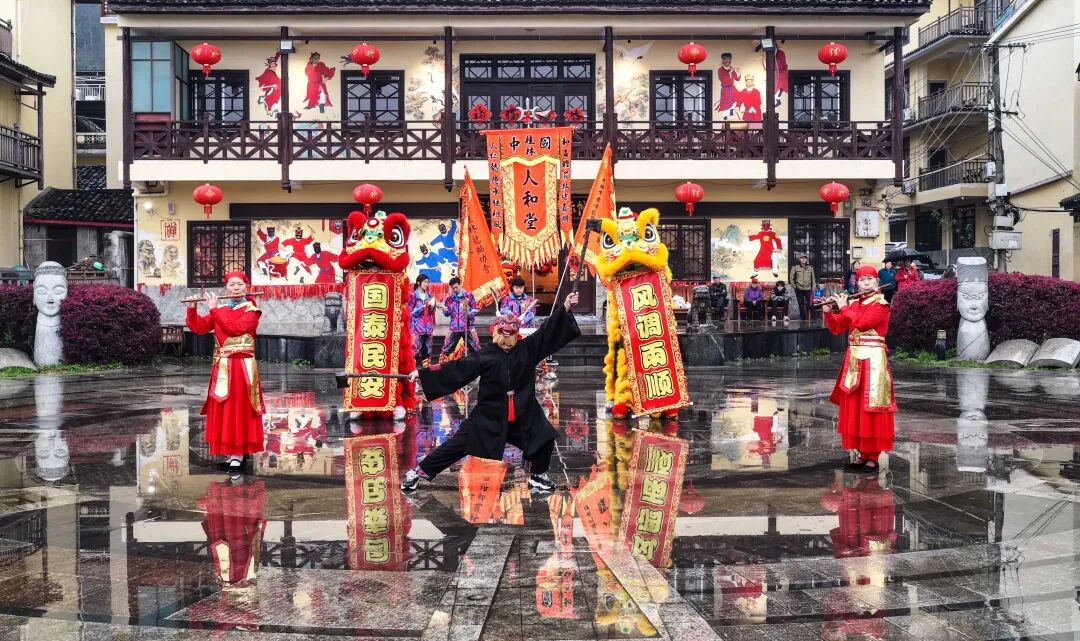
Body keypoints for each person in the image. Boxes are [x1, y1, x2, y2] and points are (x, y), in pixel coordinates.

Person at [401, 291, 582, 494]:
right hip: (489, 414)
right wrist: (422, 374)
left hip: (522, 412)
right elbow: (456, 368)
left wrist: (565, 307)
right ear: (496, 329)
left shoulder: (528, 349)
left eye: (512, 329)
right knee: (457, 445)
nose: (507, 333)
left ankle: (538, 476)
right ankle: (417, 472)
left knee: (544, 436)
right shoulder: (485, 355)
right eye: (503, 328)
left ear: (517, 332)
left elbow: (546, 331)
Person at [185, 272, 265, 475]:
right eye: (231, 284)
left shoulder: (252, 310)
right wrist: (192, 309)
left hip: (241, 368)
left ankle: (238, 454)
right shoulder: (220, 309)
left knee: (238, 409)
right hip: (222, 366)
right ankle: (232, 453)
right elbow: (199, 328)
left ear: (246, 287)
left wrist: (213, 309)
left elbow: (234, 329)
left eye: (240, 284)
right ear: (226, 289)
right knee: (225, 408)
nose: (236, 288)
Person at [823, 265, 896, 475]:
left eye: (869, 279)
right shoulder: (854, 303)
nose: (865, 283)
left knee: (872, 406)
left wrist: (844, 307)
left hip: (874, 361)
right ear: (857, 284)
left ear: (876, 282)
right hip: (854, 360)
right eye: (861, 280)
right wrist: (829, 312)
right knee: (855, 406)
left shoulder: (881, 304)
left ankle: (873, 457)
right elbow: (838, 326)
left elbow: (863, 323)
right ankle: (862, 455)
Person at [440, 277, 480, 359]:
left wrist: (469, 313)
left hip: (467, 327)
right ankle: (444, 365)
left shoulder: (468, 296)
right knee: (447, 349)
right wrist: (445, 311)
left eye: (456, 287)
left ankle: (479, 364)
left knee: (475, 348)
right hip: (454, 328)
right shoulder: (450, 298)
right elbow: (447, 314)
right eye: (453, 288)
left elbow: (475, 309)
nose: (455, 289)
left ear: (460, 284)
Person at [407, 274, 437, 368]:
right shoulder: (413, 296)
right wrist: (423, 307)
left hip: (428, 328)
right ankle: (413, 370)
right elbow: (410, 312)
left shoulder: (430, 296)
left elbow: (432, 311)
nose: (426, 284)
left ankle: (426, 370)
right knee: (415, 351)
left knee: (427, 351)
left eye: (428, 282)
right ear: (418, 282)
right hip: (417, 328)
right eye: (425, 282)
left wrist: (432, 306)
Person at [789, 255, 815, 321]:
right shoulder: (795, 267)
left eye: (805, 258)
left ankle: (812, 318)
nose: (803, 259)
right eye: (802, 258)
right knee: (801, 304)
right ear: (799, 259)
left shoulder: (810, 268)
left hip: (808, 288)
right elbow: (791, 278)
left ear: (806, 260)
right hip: (799, 288)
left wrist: (813, 288)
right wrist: (795, 287)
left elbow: (813, 279)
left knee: (810, 304)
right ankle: (803, 318)